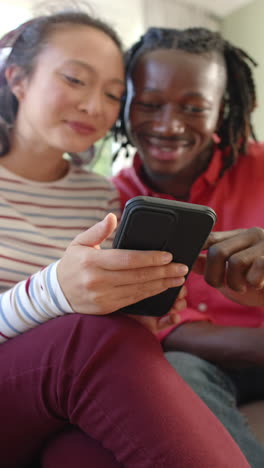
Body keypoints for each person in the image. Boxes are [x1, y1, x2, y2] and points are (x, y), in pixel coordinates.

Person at [0, 12, 252, 468]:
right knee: (90, 333)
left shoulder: (101, 195)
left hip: (50, 404)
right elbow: (82, 331)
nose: (95, 106)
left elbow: (126, 337)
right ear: (17, 77)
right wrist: (54, 292)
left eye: (114, 94)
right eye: (75, 79)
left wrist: (145, 302)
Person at [112, 26, 264, 467]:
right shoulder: (108, 201)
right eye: (149, 103)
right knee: (176, 370)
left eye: (195, 107)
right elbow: (140, 325)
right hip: (200, 364)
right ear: (124, 101)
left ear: (222, 111)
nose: (168, 125)